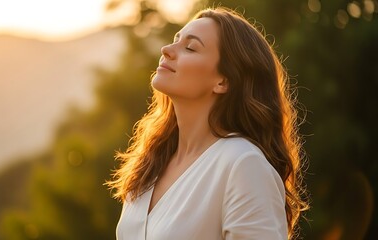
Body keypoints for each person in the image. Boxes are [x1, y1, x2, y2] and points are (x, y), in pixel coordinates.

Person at [107, 6, 308, 240]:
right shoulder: (151, 163)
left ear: (223, 81)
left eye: (190, 48)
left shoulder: (244, 165)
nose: (166, 50)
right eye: (175, 40)